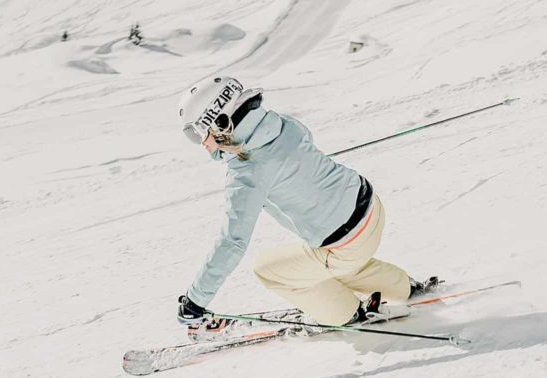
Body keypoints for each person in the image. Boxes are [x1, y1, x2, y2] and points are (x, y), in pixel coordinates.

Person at [175, 73, 429, 330]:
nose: (200, 143)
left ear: (218, 122)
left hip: (345, 243)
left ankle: (346, 314)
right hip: (371, 208)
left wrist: (195, 300)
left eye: (196, 133)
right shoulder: (282, 123)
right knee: (332, 260)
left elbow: (233, 241)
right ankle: (401, 288)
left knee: (269, 270)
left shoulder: (246, 170)